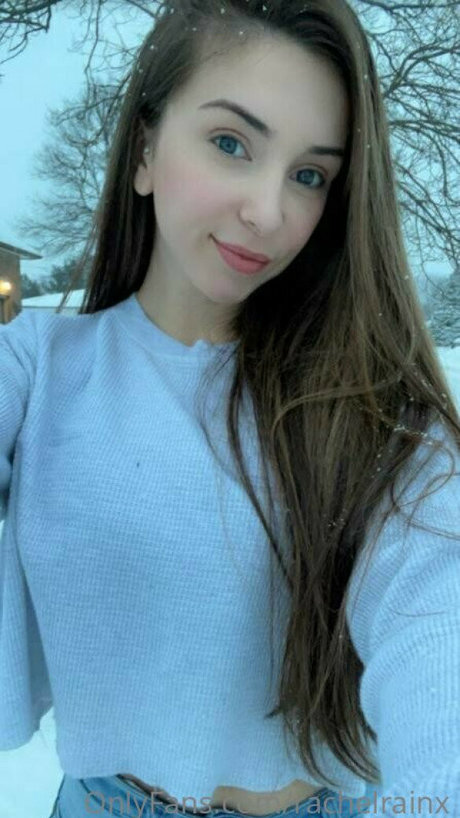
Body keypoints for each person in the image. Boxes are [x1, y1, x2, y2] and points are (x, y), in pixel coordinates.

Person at [1, 1, 459, 817]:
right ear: (144, 150)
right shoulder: (38, 370)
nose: (268, 212)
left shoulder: (372, 412)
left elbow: (439, 622)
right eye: (231, 143)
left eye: (310, 175)